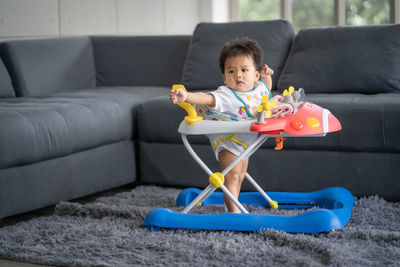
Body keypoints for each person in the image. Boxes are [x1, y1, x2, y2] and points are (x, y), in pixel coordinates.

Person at [170, 38, 274, 213]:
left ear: (255, 75)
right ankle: (233, 213)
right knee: (232, 176)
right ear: (225, 78)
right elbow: (207, 98)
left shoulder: (257, 90)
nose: (238, 75)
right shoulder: (226, 95)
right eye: (231, 71)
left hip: (245, 141)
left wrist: (267, 77)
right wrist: (187, 96)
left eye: (244, 70)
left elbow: (266, 89)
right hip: (228, 139)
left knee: (240, 175)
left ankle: (233, 203)